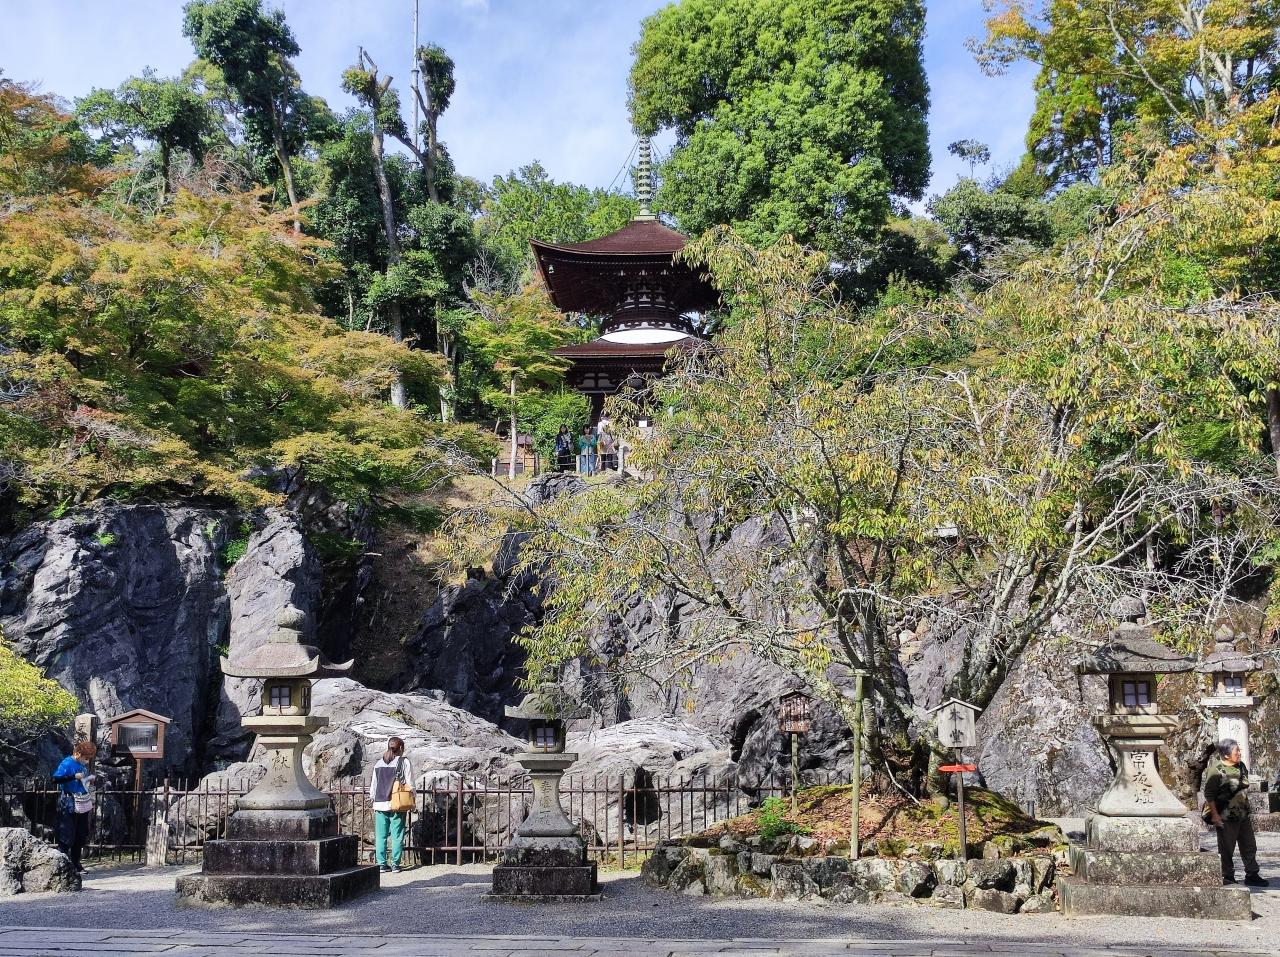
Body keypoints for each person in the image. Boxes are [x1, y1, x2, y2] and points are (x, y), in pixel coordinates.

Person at [1203, 738, 1268, 886]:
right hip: (1225, 816)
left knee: (1249, 845)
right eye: (1236, 751)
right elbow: (1209, 794)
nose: (1239, 753)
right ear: (1226, 755)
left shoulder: (1241, 766)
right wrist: (1215, 815)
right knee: (1226, 848)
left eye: (1239, 750)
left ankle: (1252, 874)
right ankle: (1227, 876)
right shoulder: (1216, 770)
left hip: (1243, 814)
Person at [52, 740, 97, 873]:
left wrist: (88, 779)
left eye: (89, 758)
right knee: (66, 834)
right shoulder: (67, 763)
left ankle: (76, 863)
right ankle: (63, 864)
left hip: (81, 801)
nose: (87, 760)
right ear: (78, 753)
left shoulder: (82, 766)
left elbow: (81, 783)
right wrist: (73, 776)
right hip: (69, 801)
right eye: (86, 757)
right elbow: (55, 779)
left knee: (80, 834)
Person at [368, 736, 412, 873]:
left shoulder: (378, 763)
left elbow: (373, 786)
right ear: (401, 748)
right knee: (397, 835)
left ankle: (381, 864)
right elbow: (410, 783)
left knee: (380, 835)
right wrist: (412, 798)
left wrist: (373, 799)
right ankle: (395, 864)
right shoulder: (404, 762)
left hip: (380, 803)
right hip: (397, 803)